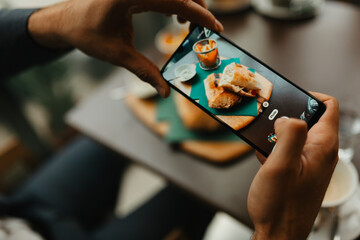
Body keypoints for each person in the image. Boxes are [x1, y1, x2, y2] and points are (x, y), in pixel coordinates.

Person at [0, 0, 339, 239]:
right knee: (198, 191)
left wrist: (55, 21)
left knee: (116, 130)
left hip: (15, 209)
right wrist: (280, 231)